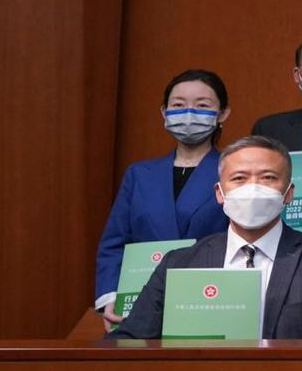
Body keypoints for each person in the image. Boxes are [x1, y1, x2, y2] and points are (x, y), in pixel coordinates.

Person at [113, 136, 302, 339]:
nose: (253, 188)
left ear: (289, 193)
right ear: (220, 193)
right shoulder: (179, 263)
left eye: (268, 178)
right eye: (239, 178)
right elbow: (131, 339)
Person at [93, 69, 233, 326]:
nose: (188, 113)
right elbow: (114, 243)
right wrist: (110, 296)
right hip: (140, 302)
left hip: (210, 300)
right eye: (178, 105)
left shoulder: (235, 172)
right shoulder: (139, 175)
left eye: (202, 105)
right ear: (164, 112)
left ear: (223, 113)